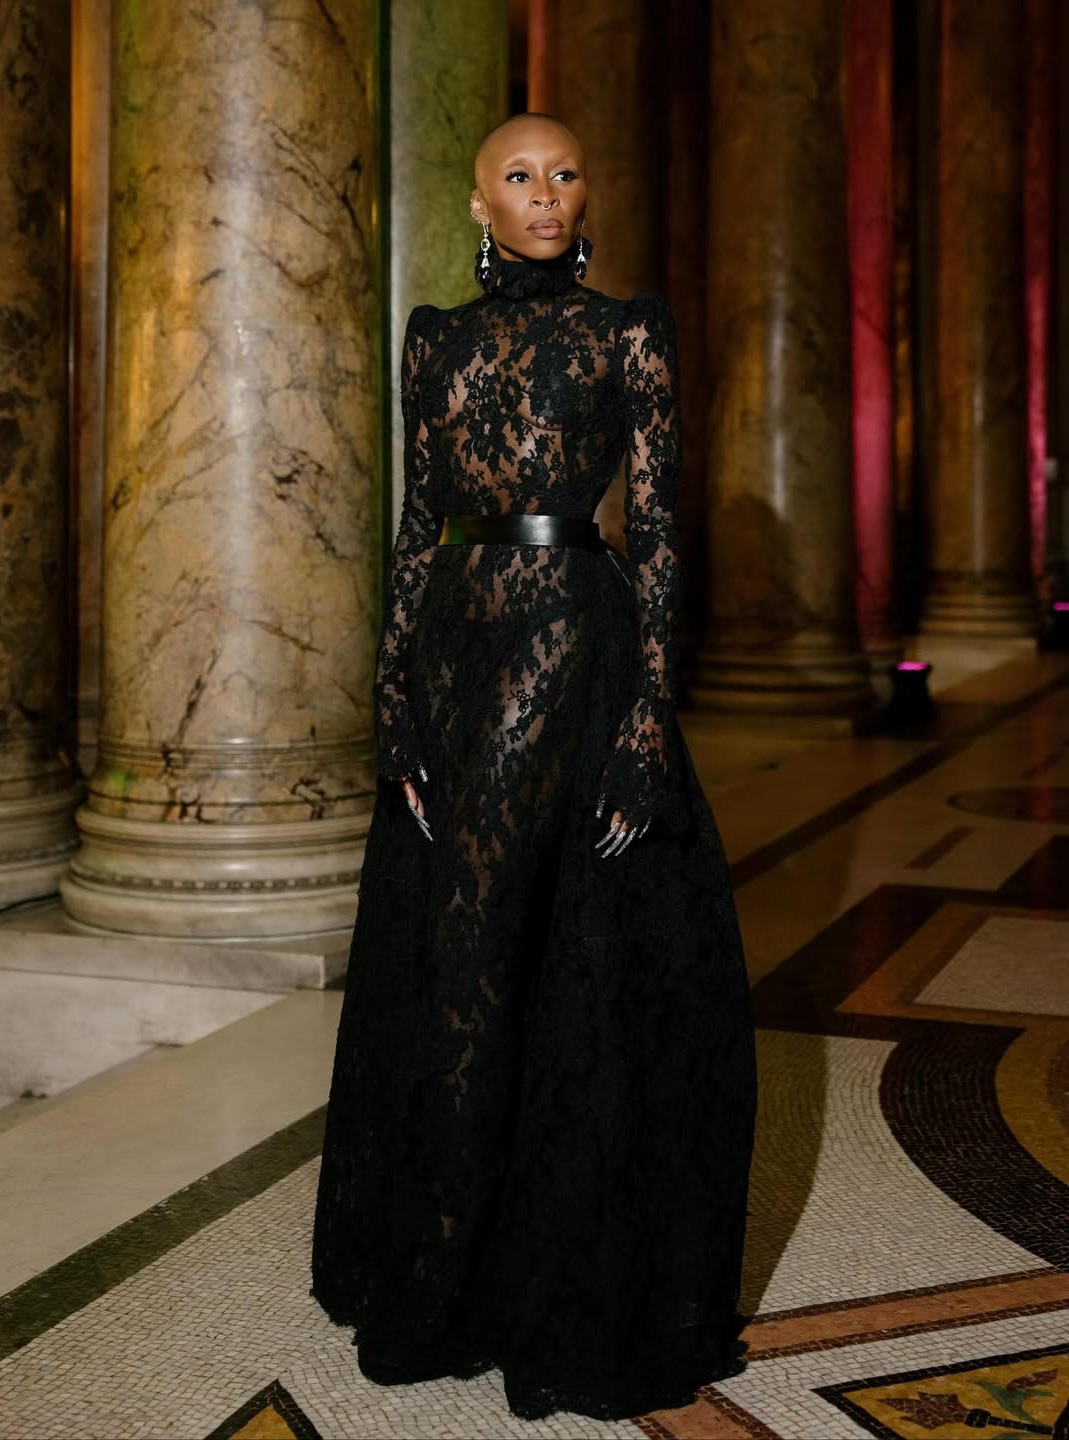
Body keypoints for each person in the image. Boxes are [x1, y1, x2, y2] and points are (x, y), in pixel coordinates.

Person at [311, 111, 758, 1423]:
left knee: (492, 955)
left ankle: (467, 1284)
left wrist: (643, 725)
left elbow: (666, 535)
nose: (547, 192)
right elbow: (415, 527)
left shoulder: (631, 328)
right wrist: (393, 693)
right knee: (458, 952)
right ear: (478, 201)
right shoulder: (436, 338)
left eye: (567, 171)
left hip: (574, 641)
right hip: (456, 638)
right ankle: (452, 1257)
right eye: (520, 174)